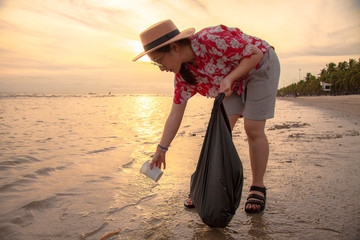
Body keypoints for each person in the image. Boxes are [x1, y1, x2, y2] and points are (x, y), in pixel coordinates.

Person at [132, 19, 280, 214]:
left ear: (174, 47)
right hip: (232, 79)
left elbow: (255, 54)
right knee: (218, 132)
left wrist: (229, 78)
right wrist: (162, 148)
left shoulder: (211, 39)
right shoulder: (184, 75)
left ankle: (257, 187)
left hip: (259, 65)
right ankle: (204, 184)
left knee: (252, 127)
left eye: (159, 61)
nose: (161, 68)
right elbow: (176, 112)